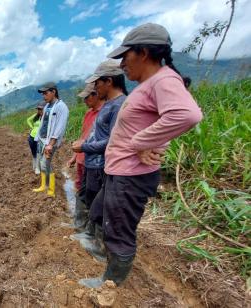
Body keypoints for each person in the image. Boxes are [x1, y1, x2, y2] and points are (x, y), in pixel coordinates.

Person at [79, 23, 203, 289]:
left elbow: (187, 114)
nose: (122, 64)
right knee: (101, 211)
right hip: (121, 171)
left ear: (144, 52)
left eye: (125, 56)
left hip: (130, 174)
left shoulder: (163, 79)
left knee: (119, 231)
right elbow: (162, 119)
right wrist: (153, 140)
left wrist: (141, 141)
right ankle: (104, 257)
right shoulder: (151, 84)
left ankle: (111, 284)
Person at [71, 60, 128, 263]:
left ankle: (101, 249)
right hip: (93, 162)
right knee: (92, 202)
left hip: (103, 165)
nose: (95, 88)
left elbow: (113, 140)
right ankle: (90, 237)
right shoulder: (110, 105)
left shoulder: (120, 105)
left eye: (97, 84)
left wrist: (84, 147)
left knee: (100, 207)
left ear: (108, 81)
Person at [66, 83, 104, 231]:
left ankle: (89, 227)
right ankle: (80, 223)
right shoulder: (89, 114)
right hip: (83, 159)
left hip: (96, 163)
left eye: (87, 97)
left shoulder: (104, 113)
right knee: (81, 190)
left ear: (95, 95)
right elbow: (83, 137)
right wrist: (74, 157)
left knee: (92, 195)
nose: (84, 101)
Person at [32, 82, 69, 198]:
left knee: (45, 164)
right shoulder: (47, 106)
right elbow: (43, 123)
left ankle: (51, 189)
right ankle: (43, 185)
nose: (44, 96)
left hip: (50, 142)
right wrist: (38, 138)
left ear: (53, 92)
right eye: (43, 94)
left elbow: (59, 127)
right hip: (42, 140)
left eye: (46, 93)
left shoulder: (61, 107)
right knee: (42, 163)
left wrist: (51, 144)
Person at [27, 102, 45, 174]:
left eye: (40, 109)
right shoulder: (36, 116)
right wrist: (32, 127)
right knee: (34, 152)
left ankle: (38, 168)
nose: (39, 110)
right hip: (32, 136)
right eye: (38, 109)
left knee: (39, 153)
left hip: (40, 138)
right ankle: (35, 165)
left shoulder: (46, 117)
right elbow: (28, 120)